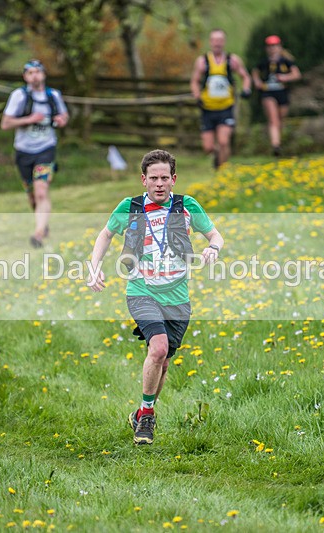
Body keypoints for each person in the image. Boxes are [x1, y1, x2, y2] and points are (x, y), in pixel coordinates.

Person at [86, 149, 224, 445]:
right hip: (141, 290)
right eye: (153, 178)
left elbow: (215, 235)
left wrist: (213, 248)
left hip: (177, 295)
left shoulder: (187, 206)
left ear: (173, 180)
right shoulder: (130, 206)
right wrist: (94, 267)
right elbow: (105, 235)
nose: (159, 183)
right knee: (158, 348)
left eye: (164, 178)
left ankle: (141, 411)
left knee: (162, 360)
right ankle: (147, 417)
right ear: (143, 180)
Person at [0, 60, 69, 248]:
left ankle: (38, 234)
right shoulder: (19, 96)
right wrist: (29, 119)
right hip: (23, 151)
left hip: (46, 149)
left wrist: (61, 120)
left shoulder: (53, 95)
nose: (35, 76)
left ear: (44, 74)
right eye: (30, 72)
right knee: (32, 196)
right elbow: (5, 124)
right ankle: (43, 224)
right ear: (25, 77)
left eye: (38, 72)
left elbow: (64, 116)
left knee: (41, 191)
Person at [189, 29, 252, 169]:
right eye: (214, 40)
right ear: (210, 42)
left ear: (224, 42)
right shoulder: (202, 61)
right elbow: (194, 81)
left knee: (224, 141)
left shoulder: (232, 60)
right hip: (207, 108)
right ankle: (217, 155)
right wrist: (197, 95)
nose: (217, 43)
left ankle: (222, 171)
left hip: (226, 108)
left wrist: (246, 89)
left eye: (220, 40)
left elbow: (245, 76)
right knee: (208, 147)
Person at [251, 35, 302, 157]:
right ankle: (275, 145)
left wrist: (285, 77)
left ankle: (278, 141)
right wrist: (258, 82)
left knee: (280, 119)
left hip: (282, 93)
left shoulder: (286, 62)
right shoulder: (264, 62)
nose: (272, 49)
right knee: (273, 119)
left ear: (279, 47)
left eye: (274, 46)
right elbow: (255, 72)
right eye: (270, 46)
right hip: (268, 92)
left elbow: (297, 74)